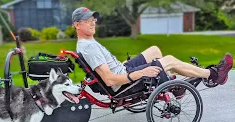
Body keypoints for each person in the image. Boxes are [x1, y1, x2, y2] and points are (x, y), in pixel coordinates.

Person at [72, 7, 233, 96]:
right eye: (87, 21)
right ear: (77, 25)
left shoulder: (86, 43)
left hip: (123, 70)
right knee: (168, 60)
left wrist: (122, 65)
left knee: (154, 50)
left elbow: (107, 68)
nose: (92, 23)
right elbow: (109, 80)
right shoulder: (89, 47)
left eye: (93, 20)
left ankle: (170, 85)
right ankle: (212, 75)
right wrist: (140, 73)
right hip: (124, 83)